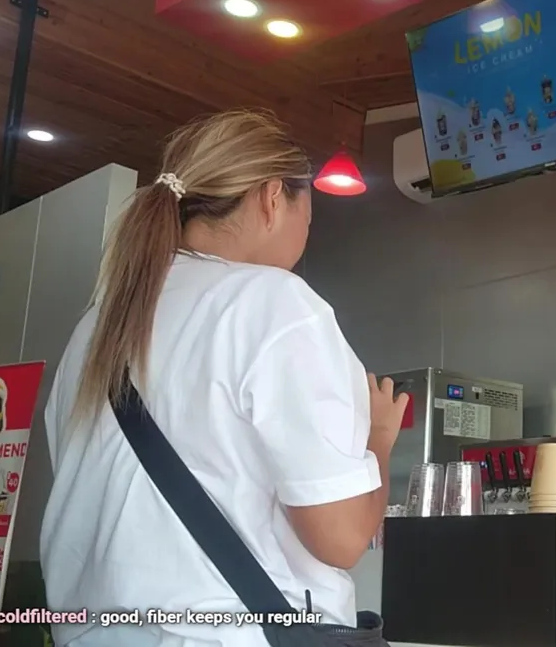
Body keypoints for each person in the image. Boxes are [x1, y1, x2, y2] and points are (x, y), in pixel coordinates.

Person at [39, 110, 408, 646]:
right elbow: (341, 538)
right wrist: (379, 440)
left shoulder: (96, 328)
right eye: (309, 217)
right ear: (272, 197)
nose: (306, 235)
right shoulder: (273, 301)